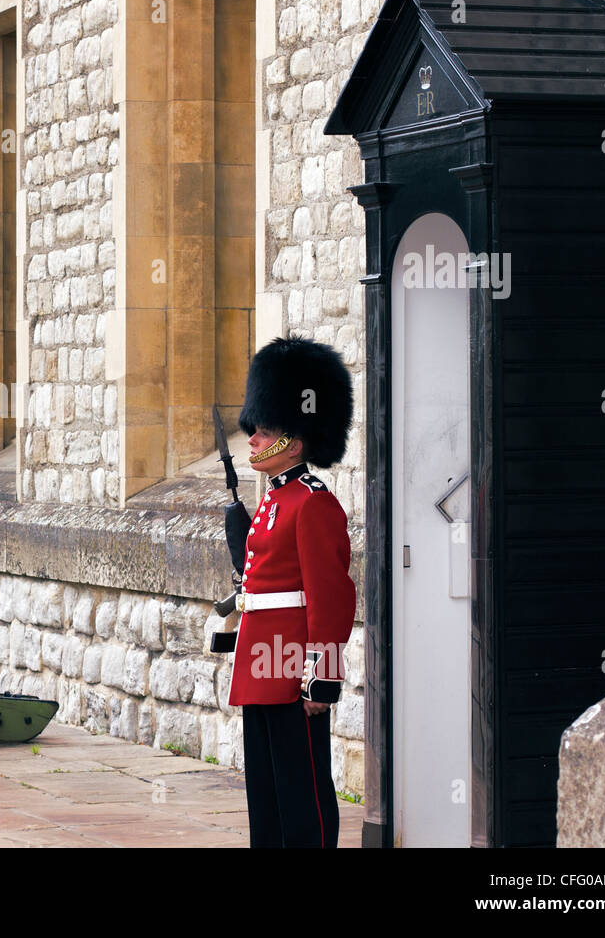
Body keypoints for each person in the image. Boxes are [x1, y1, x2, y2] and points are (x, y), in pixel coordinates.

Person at [227, 334, 356, 848]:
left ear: (294, 441)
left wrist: (321, 674)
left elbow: (330, 597)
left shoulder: (314, 504)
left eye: (264, 430)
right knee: (267, 792)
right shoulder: (273, 502)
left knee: (302, 792)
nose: (254, 438)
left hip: (290, 664)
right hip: (262, 660)